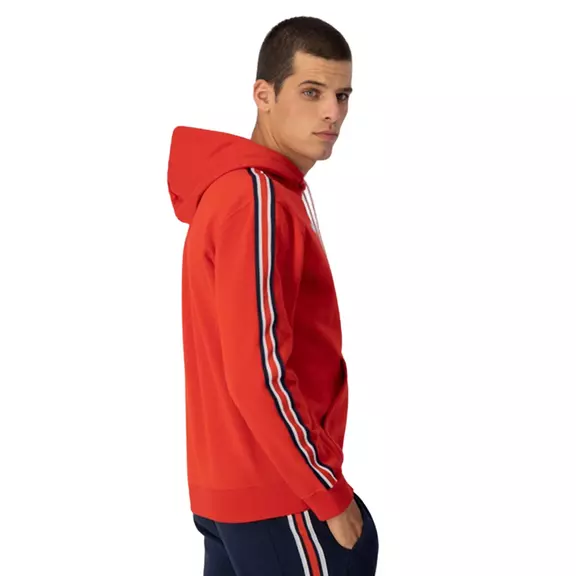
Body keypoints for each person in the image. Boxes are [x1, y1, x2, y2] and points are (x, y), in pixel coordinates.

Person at [167, 15, 379, 575]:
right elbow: (258, 370)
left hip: (234, 493)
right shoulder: (256, 199)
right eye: (311, 92)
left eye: (342, 95)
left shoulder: (246, 192)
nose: (332, 112)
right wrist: (326, 491)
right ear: (264, 95)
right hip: (281, 496)